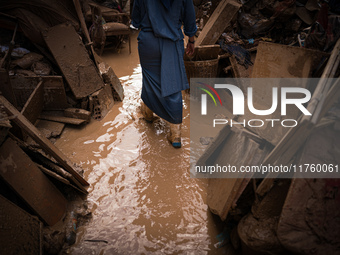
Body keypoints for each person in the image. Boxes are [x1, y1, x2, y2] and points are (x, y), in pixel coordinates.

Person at [131, 0, 197, 148]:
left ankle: (148, 115)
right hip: (172, 41)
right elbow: (190, 18)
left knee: (149, 80)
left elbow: (135, 21)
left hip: (148, 43)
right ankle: (176, 134)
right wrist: (191, 40)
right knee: (173, 86)